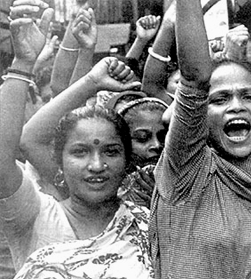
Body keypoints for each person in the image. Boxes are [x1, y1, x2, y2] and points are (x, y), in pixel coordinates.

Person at [1, 1, 152, 278]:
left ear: (127, 161)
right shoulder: (36, 217)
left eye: (111, 151)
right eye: (80, 152)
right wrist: (22, 64)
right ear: (57, 163)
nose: (97, 165)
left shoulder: (150, 224)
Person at [149, 0, 251, 278]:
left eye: (248, 96)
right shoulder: (187, 172)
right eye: (220, 99)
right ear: (198, 119)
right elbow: (194, 79)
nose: (236, 106)